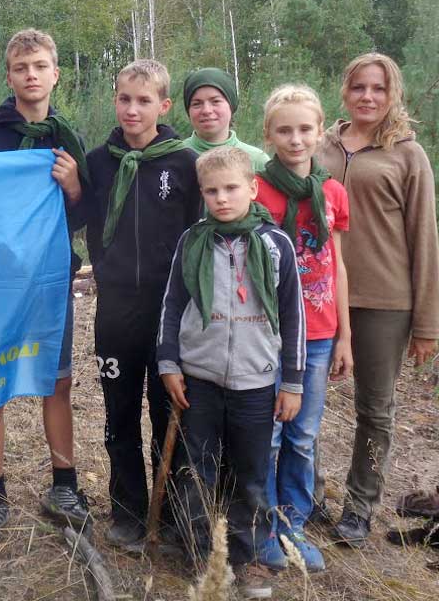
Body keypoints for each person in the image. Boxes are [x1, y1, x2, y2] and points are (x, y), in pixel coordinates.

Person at [157, 146, 305, 599]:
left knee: (252, 473)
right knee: (195, 469)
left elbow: (293, 314)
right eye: (212, 191)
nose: (222, 199)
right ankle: (202, 552)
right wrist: (169, 362)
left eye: (231, 189)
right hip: (198, 380)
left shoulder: (274, 244)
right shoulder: (193, 241)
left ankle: (250, 556)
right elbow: (171, 305)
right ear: (202, 195)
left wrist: (293, 382)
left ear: (253, 188)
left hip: (255, 383)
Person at [0, 29, 90, 543]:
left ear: (55, 73)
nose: (31, 75)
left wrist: (74, 185)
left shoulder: (68, 136)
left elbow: (83, 215)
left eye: (40, 66)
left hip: (50, 278)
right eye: (21, 68)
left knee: (55, 379)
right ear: (9, 76)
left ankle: (64, 484)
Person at [319, 53, 439, 547]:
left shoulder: (408, 155)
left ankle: (359, 505)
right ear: (345, 91)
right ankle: (300, 491)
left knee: (374, 409)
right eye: (359, 87)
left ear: (393, 96)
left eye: (379, 89)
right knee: (299, 399)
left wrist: (427, 323)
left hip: (385, 302)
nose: (368, 96)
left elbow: (424, 239)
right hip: (318, 295)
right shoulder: (321, 148)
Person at [82, 59, 201, 550]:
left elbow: (198, 235)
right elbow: (80, 216)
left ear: (164, 106)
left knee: (166, 412)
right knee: (119, 413)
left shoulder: (184, 164)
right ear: (115, 101)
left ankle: (169, 515)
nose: (133, 109)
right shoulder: (98, 162)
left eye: (144, 100)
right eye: (125, 99)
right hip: (116, 310)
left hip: (168, 311)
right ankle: (128, 511)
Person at [254, 85, 353, 573]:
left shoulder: (332, 191)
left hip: (318, 334)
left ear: (320, 132)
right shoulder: (257, 189)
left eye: (305, 130)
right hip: (268, 334)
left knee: (303, 434)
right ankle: (265, 524)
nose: (295, 140)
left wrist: (345, 337)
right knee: (269, 432)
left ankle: (294, 520)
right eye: (284, 130)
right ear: (269, 135)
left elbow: (336, 265)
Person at [180, 68, 268, 171]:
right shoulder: (173, 158)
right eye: (197, 104)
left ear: (231, 105)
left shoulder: (257, 161)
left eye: (215, 101)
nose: (206, 110)